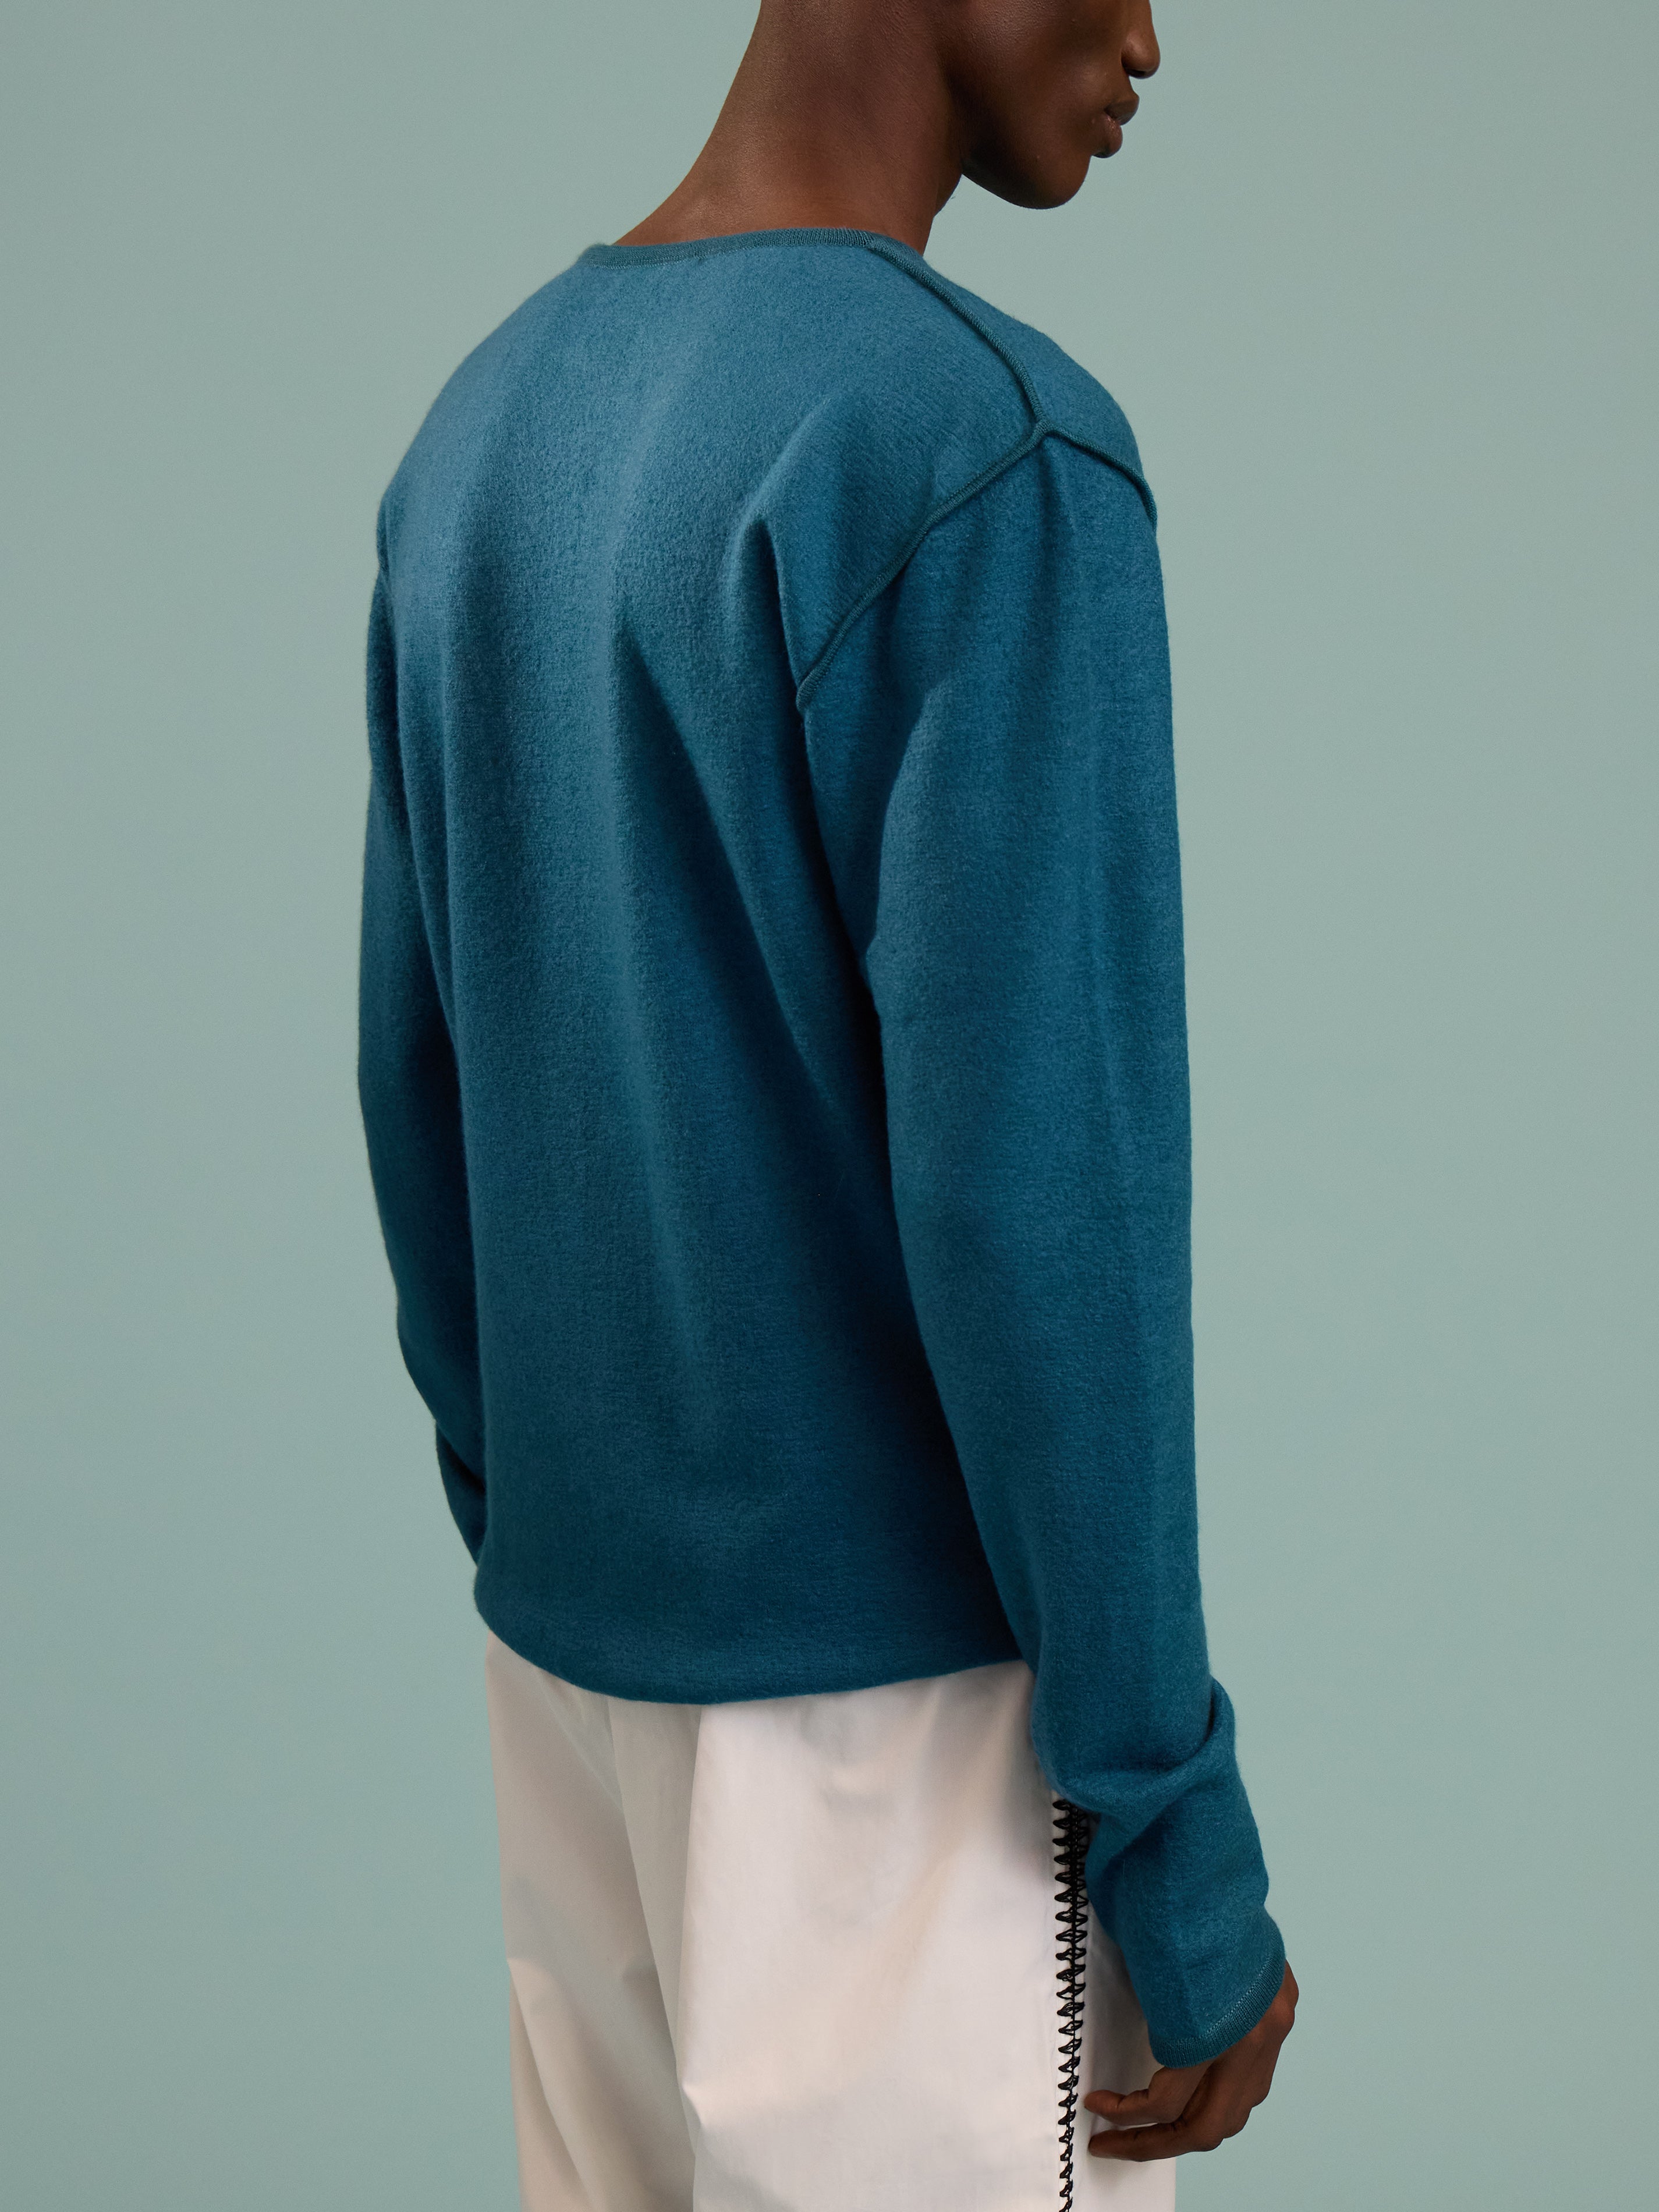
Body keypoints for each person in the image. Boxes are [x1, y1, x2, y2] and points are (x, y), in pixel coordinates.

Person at [358, 0, 1297, 2202]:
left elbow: (421, 1087)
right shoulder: (983, 453)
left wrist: (556, 1544)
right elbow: (1040, 1208)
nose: (1148, 34)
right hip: (910, 1726)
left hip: (578, 1682)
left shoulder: (482, 428)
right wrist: (1168, 1824)